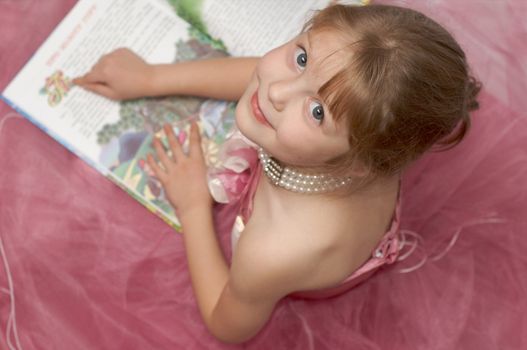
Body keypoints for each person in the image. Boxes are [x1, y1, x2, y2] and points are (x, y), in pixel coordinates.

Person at [73, 4, 480, 344]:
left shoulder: (274, 247)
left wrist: (194, 205)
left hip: (296, 253)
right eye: (302, 57)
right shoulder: (358, 136)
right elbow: (258, 77)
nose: (277, 92)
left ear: (362, 159)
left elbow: (227, 325)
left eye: (317, 112)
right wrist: (153, 78)